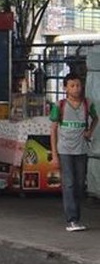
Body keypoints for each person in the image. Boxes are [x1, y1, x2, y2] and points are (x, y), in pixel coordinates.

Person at [49, 73, 97, 232]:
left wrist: (89, 131)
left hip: (81, 150)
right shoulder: (60, 105)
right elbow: (53, 130)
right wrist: (54, 154)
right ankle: (72, 219)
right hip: (65, 150)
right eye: (72, 86)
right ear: (65, 88)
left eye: (78, 85)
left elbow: (95, 118)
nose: (76, 89)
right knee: (68, 184)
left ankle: (76, 217)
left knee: (78, 184)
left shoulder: (87, 104)